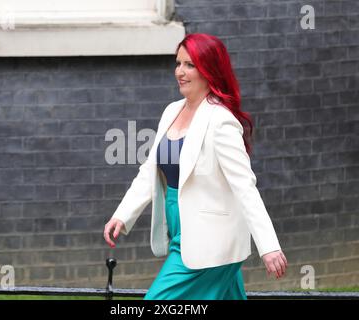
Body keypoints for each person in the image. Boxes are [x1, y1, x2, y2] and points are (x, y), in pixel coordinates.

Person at [103, 33, 288, 300]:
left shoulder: (221, 121)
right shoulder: (172, 111)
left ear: (209, 70)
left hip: (212, 240)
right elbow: (150, 169)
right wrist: (123, 215)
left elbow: (244, 187)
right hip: (180, 229)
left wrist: (269, 246)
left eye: (190, 65)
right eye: (178, 63)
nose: (180, 71)